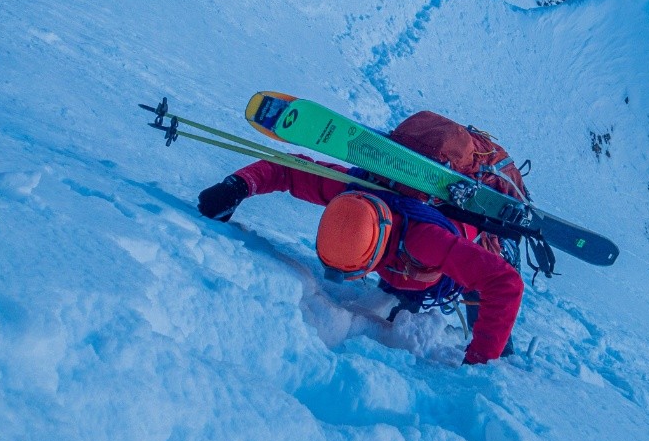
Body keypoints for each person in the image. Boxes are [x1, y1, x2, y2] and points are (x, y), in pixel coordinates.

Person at [196, 156, 523, 364]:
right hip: (406, 265)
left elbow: (504, 283)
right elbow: (289, 171)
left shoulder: (424, 241)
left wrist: (479, 360)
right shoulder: (350, 192)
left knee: (493, 341)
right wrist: (238, 186)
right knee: (402, 302)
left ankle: (496, 245)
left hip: (462, 251)